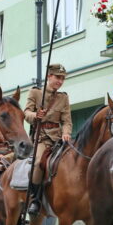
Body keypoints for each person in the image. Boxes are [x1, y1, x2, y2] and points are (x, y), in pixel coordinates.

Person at [23, 63, 72, 216]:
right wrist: (35, 116)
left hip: (58, 138)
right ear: (49, 76)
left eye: (62, 78)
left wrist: (66, 133)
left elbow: (66, 121)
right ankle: (35, 199)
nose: (60, 81)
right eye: (57, 77)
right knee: (38, 163)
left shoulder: (63, 97)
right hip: (41, 137)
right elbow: (26, 113)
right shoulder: (36, 93)